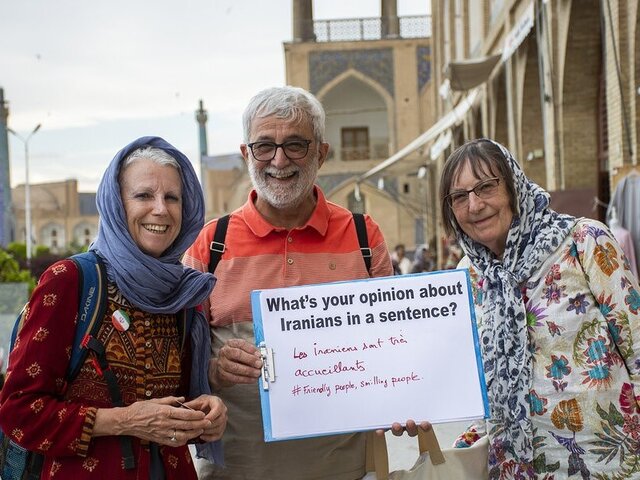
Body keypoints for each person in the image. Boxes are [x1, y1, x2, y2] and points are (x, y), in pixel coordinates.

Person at [183, 86, 394, 479]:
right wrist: (213, 369)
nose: (279, 160)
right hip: (237, 469)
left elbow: (394, 347)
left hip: (345, 468)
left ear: (321, 153)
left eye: (296, 144)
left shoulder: (364, 238)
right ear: (247, 154)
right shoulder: (210, 245)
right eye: (264, 146)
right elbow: (176, 360)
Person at [0, 137, 227, 479]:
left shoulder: (183, 295)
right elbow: (19, 412)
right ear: (116, 204)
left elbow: (170, 403)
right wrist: (125, 421)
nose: (161, 209)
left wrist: (205, 410)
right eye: (143, 195)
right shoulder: (71, 282)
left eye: (172, 197)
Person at [415, 137, 640, 478]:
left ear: (514, 187)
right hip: (515, 467)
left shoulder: (583, 242)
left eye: (486, 187)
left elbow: (636, 346)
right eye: (459, 197)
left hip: (607, 463)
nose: (474, 205)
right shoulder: (468, 275)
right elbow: (473, 384)